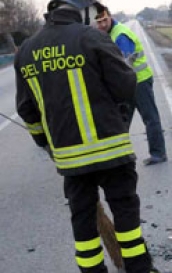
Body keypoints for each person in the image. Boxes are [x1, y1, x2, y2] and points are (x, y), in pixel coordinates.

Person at [14, 0, 158, 272]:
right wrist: (119, 114)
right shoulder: (91, 37)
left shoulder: (26, 51)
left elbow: (27, 111)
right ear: (81, 12)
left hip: (70, 160)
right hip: (112, 150)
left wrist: (45, 142)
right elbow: (126, 84)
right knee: (125, 215)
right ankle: (139, 267)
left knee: (83, 223)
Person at [94, 5, 167, 166]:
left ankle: (158, 154)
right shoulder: (110, 33)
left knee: (150, 118)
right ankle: (118, 156)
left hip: (139, 82)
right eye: (98, 22)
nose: (102, 25)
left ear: (110, 17)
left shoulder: (120, 35)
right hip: (128, 84)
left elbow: (124, 64)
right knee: (121, 121)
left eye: (104, 21)